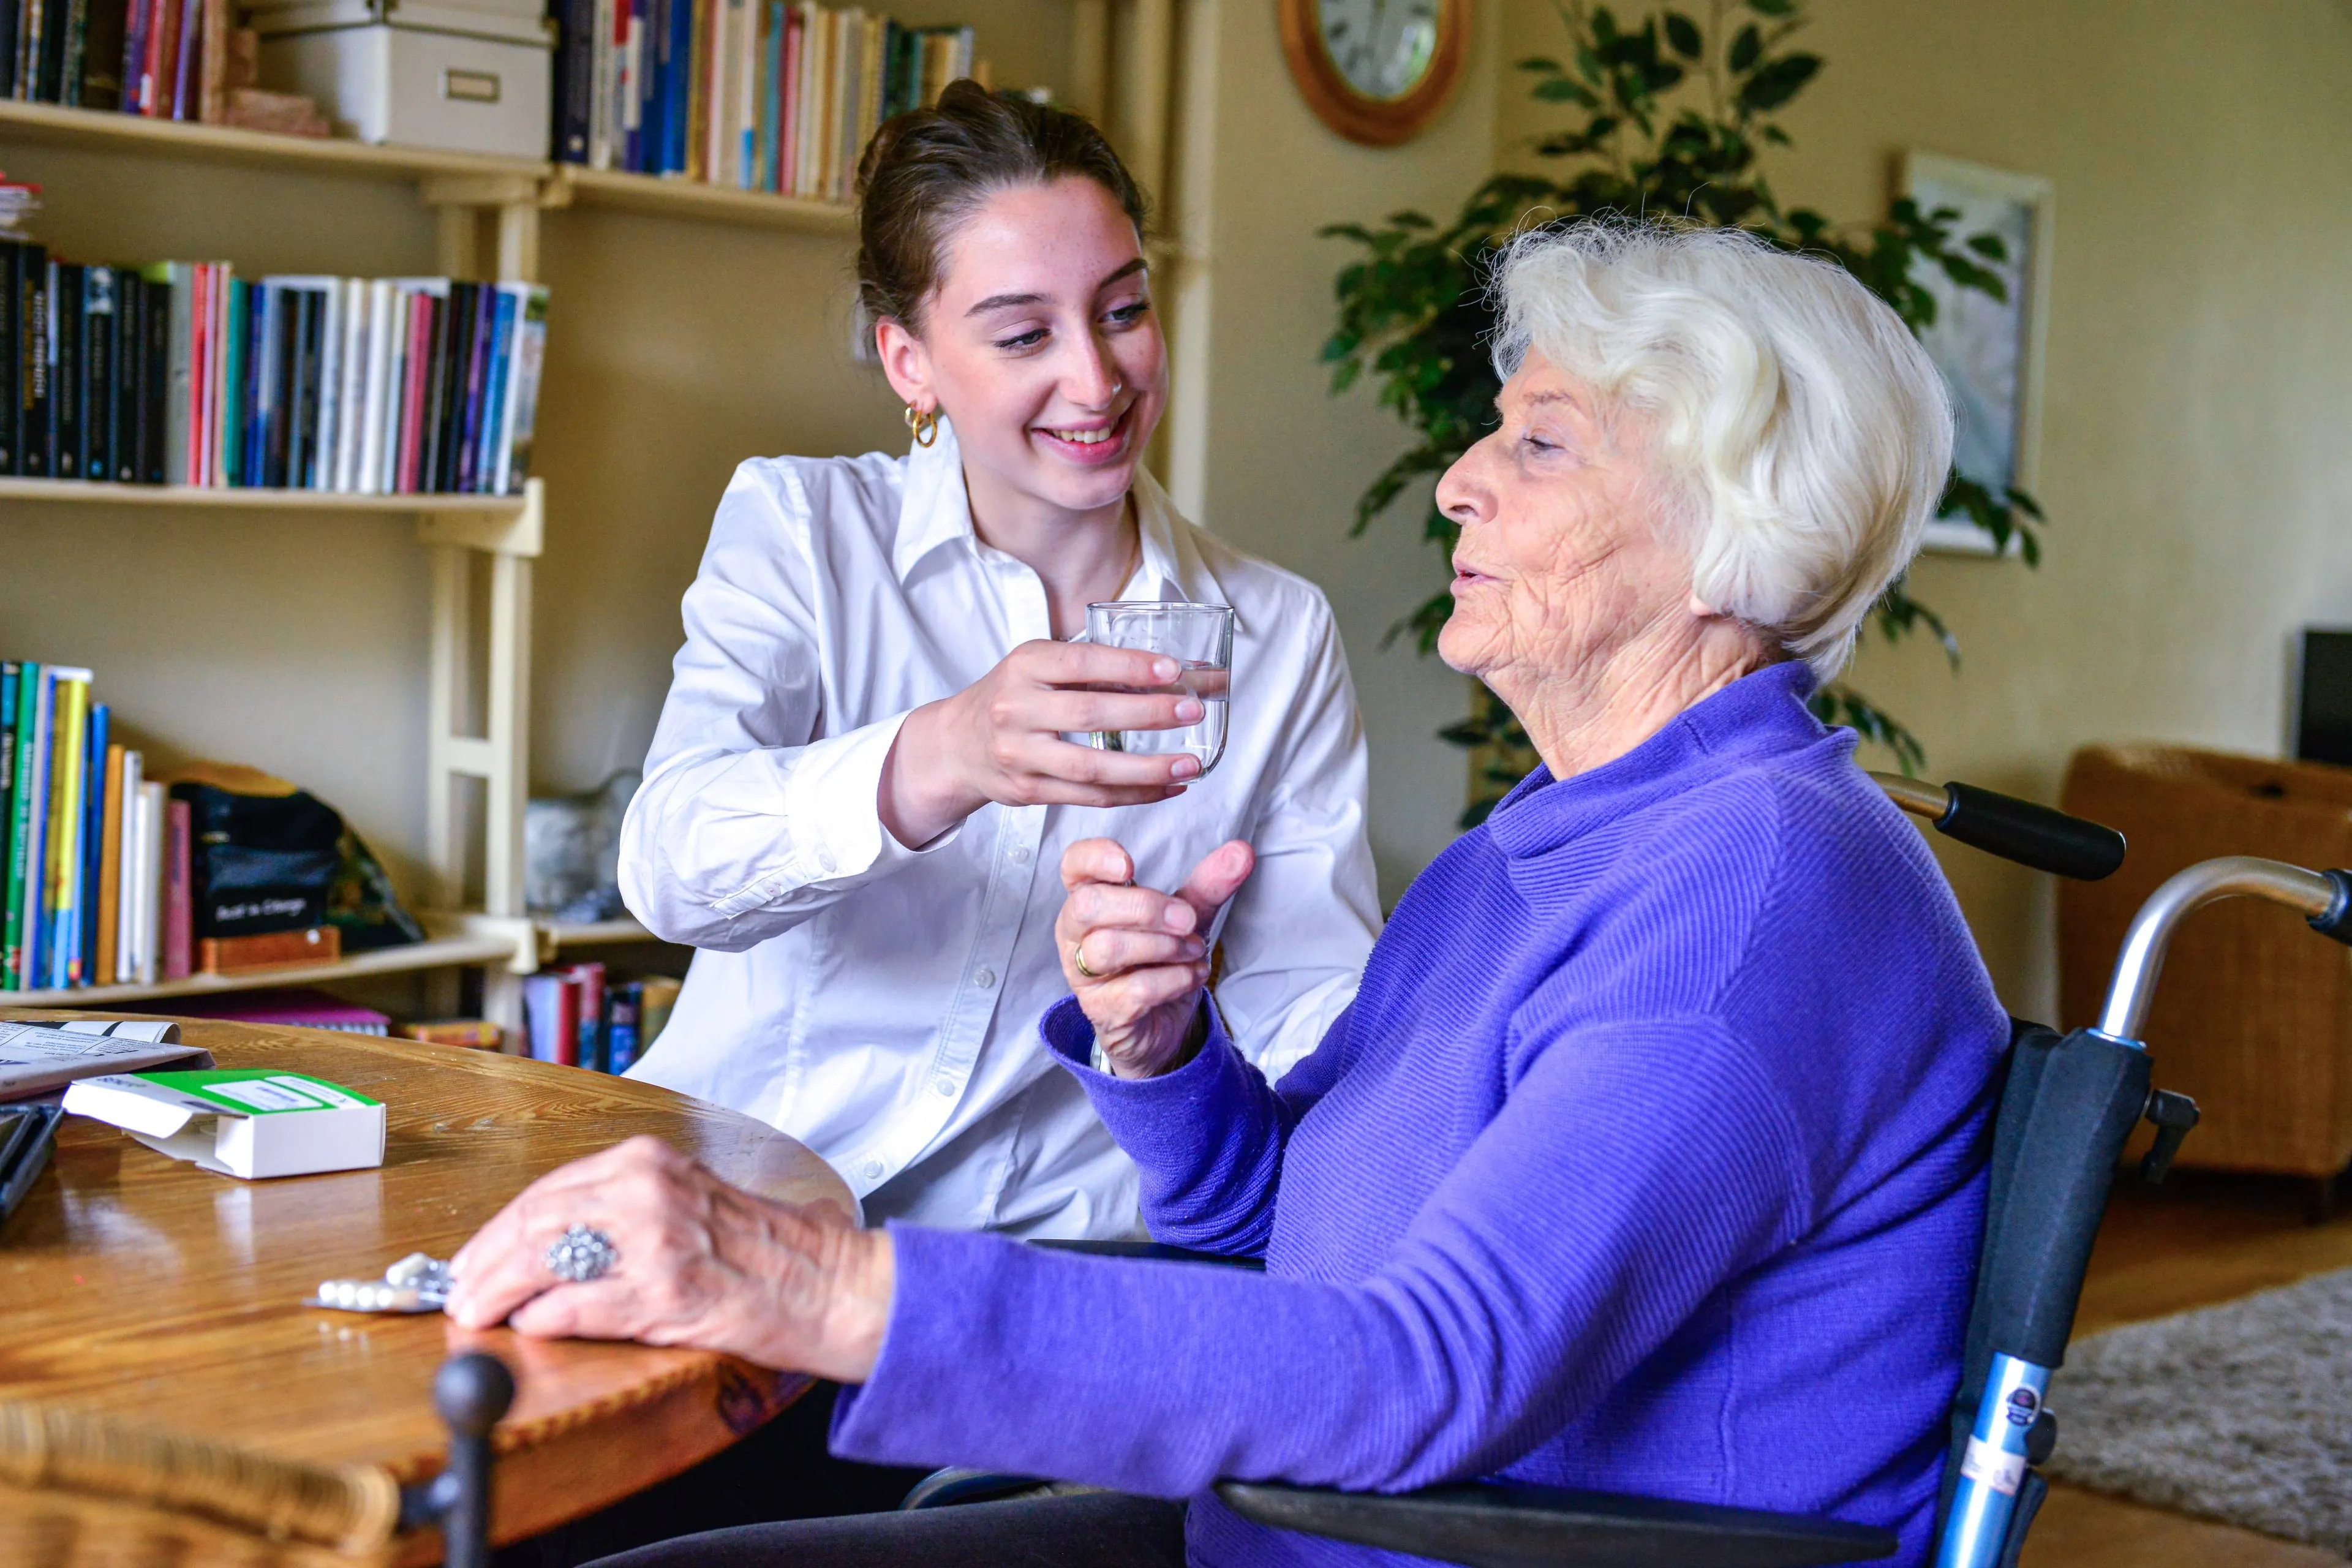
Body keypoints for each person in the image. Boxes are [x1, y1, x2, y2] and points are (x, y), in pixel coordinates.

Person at [449, 219, 2008, 1568]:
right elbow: (1284, 1224)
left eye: (1542, 443)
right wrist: (1168, 1052)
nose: (1458, 481)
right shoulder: (1531, 846)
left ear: (1735, 536)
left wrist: (820, 1280)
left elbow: (1434, 1365)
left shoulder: (1754, 896)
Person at [617, 81, 1378, 1241]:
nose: (1098, 379)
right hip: (739, 1216)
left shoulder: (1279, 631)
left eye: (1123, 310)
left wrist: (1178, 1036)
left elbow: (1308, 1019)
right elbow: (669, 868)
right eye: (1025, 334)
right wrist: (942, 755)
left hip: (1055, 1256)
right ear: (909, 362)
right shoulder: (804, 530)